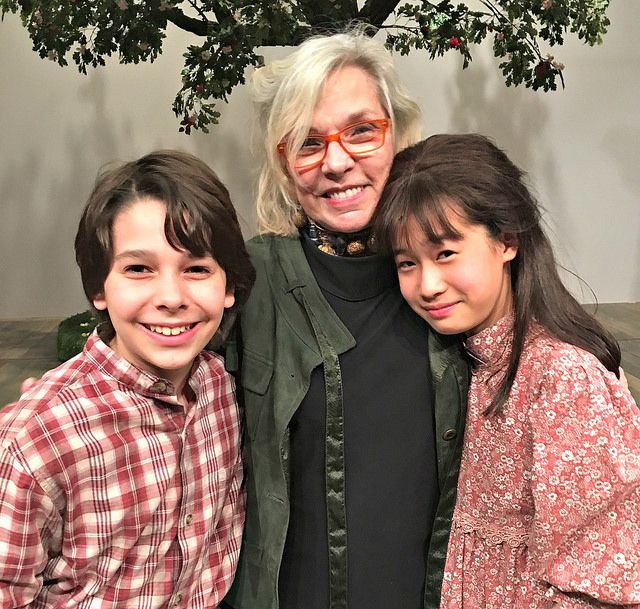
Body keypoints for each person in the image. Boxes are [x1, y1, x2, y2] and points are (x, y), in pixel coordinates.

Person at [221, 31, 470, 609]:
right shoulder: (246, 282)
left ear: (398, 135)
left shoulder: (453, 283)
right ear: (283, 164)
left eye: (361, 131)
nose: (336, 163)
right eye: (307, 143)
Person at [372, 133, 640, 607]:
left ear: (507, 241)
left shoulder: (562, 376)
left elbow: (597, 580)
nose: (428, 285)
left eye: (445, 253)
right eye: (407, 262)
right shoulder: (459, 361)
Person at [0, 150, 255, 608]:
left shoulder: (222, 389)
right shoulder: (37, 440)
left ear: (229, 286)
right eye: (139, 269)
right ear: (99, 287)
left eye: (197, 269)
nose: (171, 297)